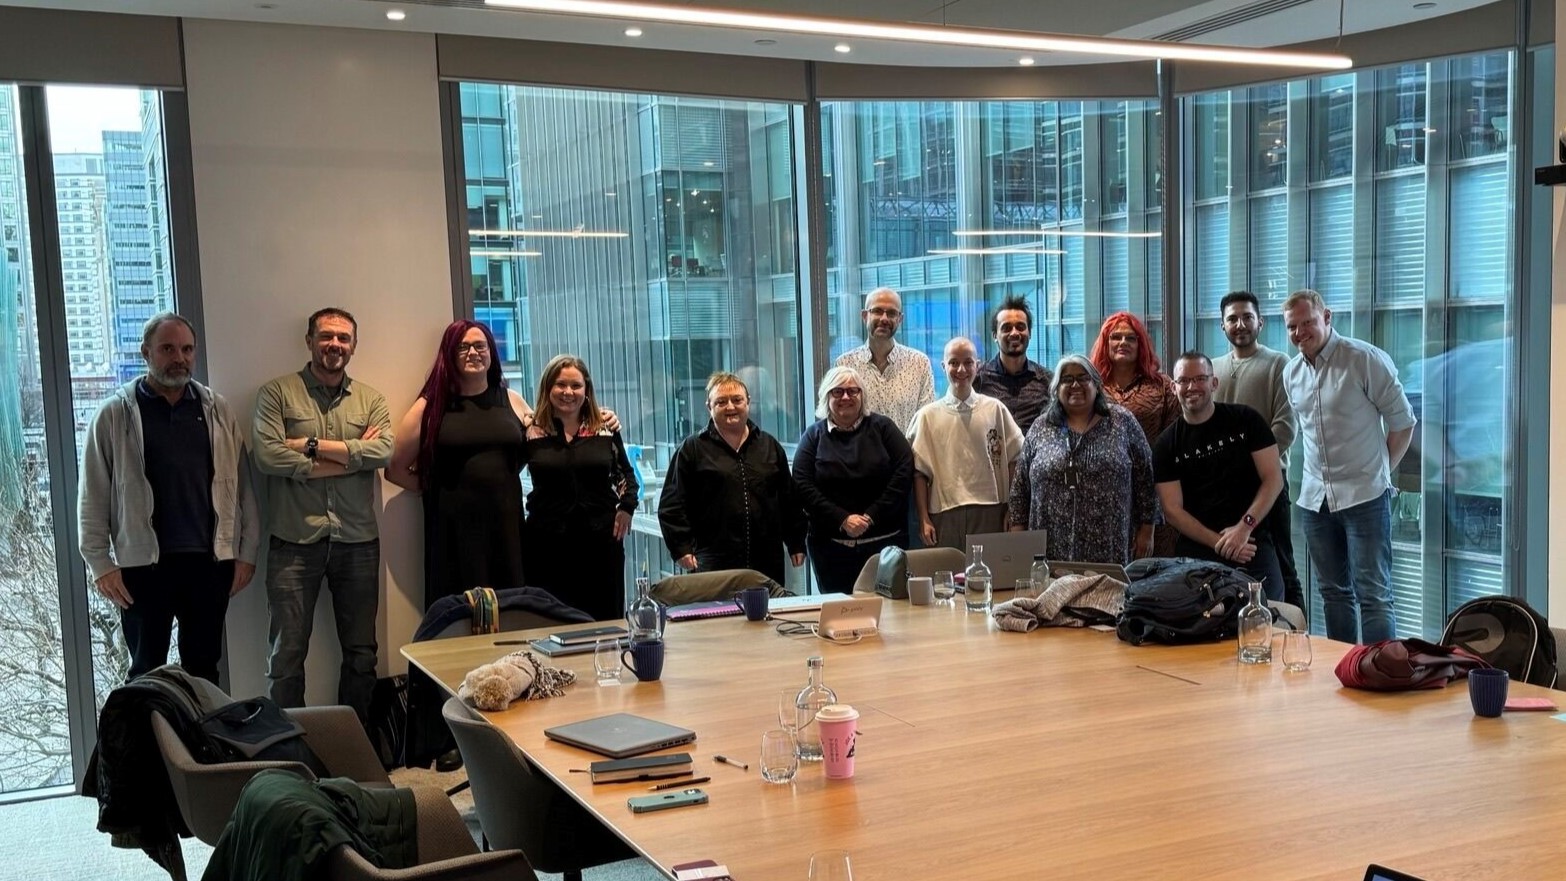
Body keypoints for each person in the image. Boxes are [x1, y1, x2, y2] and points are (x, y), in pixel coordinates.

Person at [77, 313, 259, 684]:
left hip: (209, 563)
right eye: (168, 349)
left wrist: (246, 552)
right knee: (147, 675)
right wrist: (100, 562)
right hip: (144, 568)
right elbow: (92, 495)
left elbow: (243, 489)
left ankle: (198, 744)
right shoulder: (115, 414)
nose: (180, 357)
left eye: (187, 349)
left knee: (205, 671)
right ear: (146, 353)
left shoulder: (217, 411)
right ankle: (152, 744)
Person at [252, 307, 393, 722]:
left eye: (343, 338)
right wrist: (352, 456)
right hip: (294, 543)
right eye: (327, 336)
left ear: (354, 345)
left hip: (357, 541)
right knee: (287, 656)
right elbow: (267, 455)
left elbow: (384, 452)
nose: (335, 345)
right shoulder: (277, 393)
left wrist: (306, 445)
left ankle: (357, 753)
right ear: (310, 340)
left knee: (362, 654)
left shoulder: (371, 399)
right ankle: (289, 758)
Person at [1282, 289, 1416, 645]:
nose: (1300, 333)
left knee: (1374, 594)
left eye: (1307, 322)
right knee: (1333, 592)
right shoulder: (1291, 372)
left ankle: (1380, 672)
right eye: (1292, 326)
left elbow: (1403, 423)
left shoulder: (1364, 358)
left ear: (1327, 317)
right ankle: (1345, 670)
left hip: (1366, 496)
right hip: (1315, 500)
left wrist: (1381, 472)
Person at [387, 321, 531, 610]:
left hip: (507, 526)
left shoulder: (512, 400)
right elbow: (395, 469)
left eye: (480, 346)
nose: (473, 353)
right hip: (453, 531)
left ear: (491, 352)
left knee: (512, 611)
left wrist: (600, 419)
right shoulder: (430, 407)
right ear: (449, 355)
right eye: (462, 347)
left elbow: (544, 441)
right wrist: (438, 487)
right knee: (458, 615)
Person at [1153, 351, 1286, 598]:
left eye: (1200, 378)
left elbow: (1273, 479)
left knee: (1267, 617)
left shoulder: (1247, 420)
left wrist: (1243, 528)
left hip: (1251, 543)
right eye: (1183, 381)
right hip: (1198, 549)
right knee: (1197, 623)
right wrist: (1221, 543)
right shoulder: (1165, 444)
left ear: (1214, 383)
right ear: (1174, 387)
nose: (1192, 386)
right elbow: (1172, 510)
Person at [658, 372, 806, 585]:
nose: (730, 407)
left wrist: (796, 542)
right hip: (711, 561)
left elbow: (788, 499)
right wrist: (681, 548)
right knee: (718, 616)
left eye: (737, 400)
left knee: (766, 617)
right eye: (721, 402)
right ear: (709, 407)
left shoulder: (769, 446)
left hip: (766, 560)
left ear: (748, 403)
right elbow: (671, 505)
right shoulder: (691, 450)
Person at [1008, 355, 1158, 564]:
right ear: (1055, 389)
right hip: (1049, 545)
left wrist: (1147, 530)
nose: (1075, 384)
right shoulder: (1040, 427)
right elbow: (1020, 487)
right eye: (1067, 379)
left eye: (1083, 378)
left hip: (1109, 543)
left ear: (1096, 385)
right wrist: (1018, 534)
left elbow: (1146, 477)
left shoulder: (1122, 421)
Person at [521, 355, 639, 621]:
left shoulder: (604, 428)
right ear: (547, 388)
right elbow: (504, 473)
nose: (568, 392)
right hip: (546, 544)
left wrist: (627, 506)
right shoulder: (530, 430)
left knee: (603, 621)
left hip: (600, 543)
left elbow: (626, 475)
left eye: (576, 385)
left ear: (586, 390)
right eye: (560, 385)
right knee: (549, 622)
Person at [1210, 291, 1302, 609]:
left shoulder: (1279, 363)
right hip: (1225, 489)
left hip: (1270, 483)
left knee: (1282, 563)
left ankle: (1297, 636)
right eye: (1233, 318)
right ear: (1222, 326)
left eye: (1247, 317)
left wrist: (1249, 466)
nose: (1240, 324)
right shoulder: (1213, 370)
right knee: (1233, 563)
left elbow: (1286, 426)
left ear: (1260, 322)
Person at [792, 366, 913, 593]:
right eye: (837, 392)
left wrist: (870, 516)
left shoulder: (883, 428)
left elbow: (904, 472)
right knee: (842, 618)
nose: (845, 397)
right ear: (826, 397)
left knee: (891, 617)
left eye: (852, 391)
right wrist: (842, 519)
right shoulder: (813, 436)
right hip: (831, 551)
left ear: (862, 395)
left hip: (885, 549)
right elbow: (802, 484)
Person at [907, 337, 1024, 551]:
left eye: (968, 362)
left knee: (992, 578)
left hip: (991, 510)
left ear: (977, 365)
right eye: (953, 362)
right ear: (943, 366)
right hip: (944, 512)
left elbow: (1015, 462)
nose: (961, 369)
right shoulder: (926, 416)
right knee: (947, 579)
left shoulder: (995, 409)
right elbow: (919, 474)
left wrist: (1012, 511)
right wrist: (923, 518)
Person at [1089, 311, 1179, 555]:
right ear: (1105, 344)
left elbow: (1174, 443)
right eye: (1115, 337)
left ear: (1141, 344)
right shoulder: (1091, 388)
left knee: (1154, 570)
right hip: (1103, 494)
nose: (1123, 343)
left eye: (1131, 338)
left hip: (1155, 490)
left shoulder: (1162, 387)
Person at [833, 287, 935, 435]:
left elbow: (927, 422)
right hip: (859, 457)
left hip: (907, 457)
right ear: (864, 316)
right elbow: (837, 419)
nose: (884, 319)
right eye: (877, 311)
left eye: (892, 313)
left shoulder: (919, 363)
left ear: (900, 319)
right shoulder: (844, 364)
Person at [974, 294, 1053, 434]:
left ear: (1030, 333)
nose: (1015, 333)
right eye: (1006, 328)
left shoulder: (1048, 380)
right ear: (994, 336)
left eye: (1021, 327)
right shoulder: (978, 379)